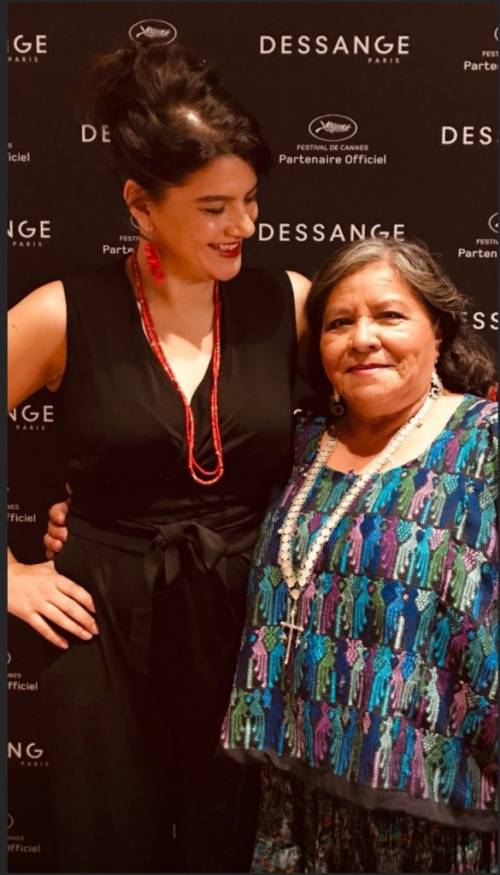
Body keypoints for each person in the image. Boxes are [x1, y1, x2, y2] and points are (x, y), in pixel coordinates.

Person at [7, 39, 311, 873]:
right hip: (101, 625)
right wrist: (9, 573)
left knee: (238, 847)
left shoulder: (285, 301)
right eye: (214, 207)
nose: (244, 225)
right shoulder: (62, 313)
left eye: (250, 200)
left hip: (247, 621)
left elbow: (379, 421)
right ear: (141, 205)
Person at [220, 238, 498, 873]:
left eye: (389, 316)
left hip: (438, 810)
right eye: (339, 323)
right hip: (296, 806)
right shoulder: (296, 445)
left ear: (438, 331)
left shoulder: (484, 441)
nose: (362, 339)